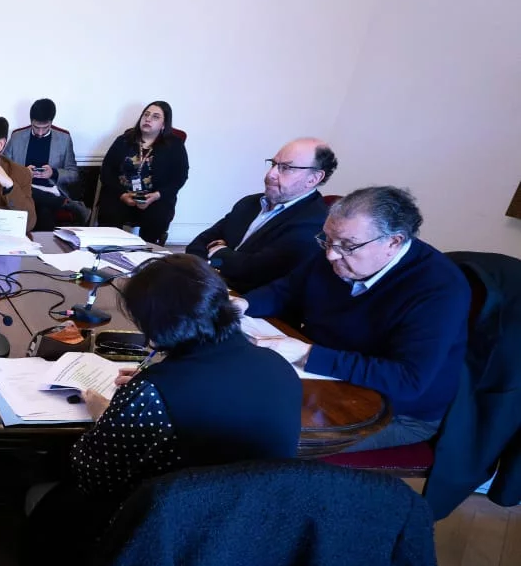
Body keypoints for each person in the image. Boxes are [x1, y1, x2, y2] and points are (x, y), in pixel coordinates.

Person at [25, 253, 301, 566]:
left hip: (157, 543)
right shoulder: (277, 365)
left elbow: (90, 474)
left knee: (46, 479)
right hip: (253, 540)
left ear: (158, 328)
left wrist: (104, 413)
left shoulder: (152, 392)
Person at [236, 187, 469, 451]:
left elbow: (407, 379)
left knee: (262, 440)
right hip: (329, 379)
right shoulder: (340, 248)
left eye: (347, 246)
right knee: (233, 405)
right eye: (327, 240)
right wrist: (242, 305)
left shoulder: (440, 288)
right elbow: (288, 289)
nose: (331, 255)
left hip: (393, 411)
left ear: (393, 242)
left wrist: (307, 354)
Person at [185, 138, 334, 292]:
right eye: (273, 164)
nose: (271, 174)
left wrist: (218, 252)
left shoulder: (314, 221)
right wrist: (219, 260)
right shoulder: (249, 203)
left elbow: (254, 272)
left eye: (286, 168)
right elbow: (197, 245)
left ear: (313, 178)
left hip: (246, 300)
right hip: (208, 286)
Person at [97, 100, 189, 244]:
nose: (148, 119)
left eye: (155, 117)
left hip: (155, 198)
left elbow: (180, 177)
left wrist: (156, 196)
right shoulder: (123, 140)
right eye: (146, 115)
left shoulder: (174, 145)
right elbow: (106, 171)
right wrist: (122, 195)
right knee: (109, 211)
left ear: (164, 124)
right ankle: (109, 248)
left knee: (157, 216)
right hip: (122, 194)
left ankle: (146, 251)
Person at [2, 98, 88, 228]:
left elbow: (73, 174)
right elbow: (3, 167)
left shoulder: (64, 139)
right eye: (36, 127)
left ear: (51, 122)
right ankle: (65, 203)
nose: (40, 132)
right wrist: (23, 173)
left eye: (45, 127)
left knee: (43, 211)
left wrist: (54, 173)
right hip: (23, 189)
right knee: (40, 206)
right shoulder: (17, 137)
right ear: (31, 121)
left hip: (50, 189)